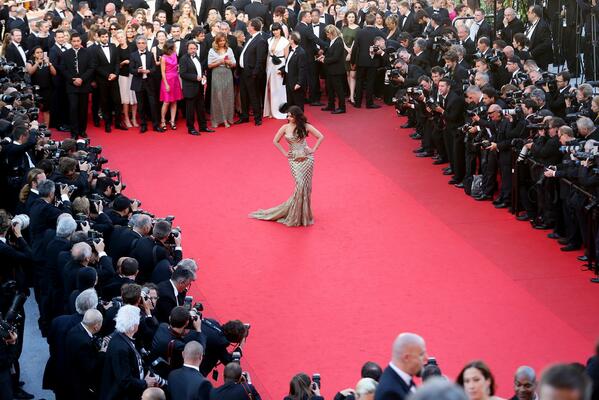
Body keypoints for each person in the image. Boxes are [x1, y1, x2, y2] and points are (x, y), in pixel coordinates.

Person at [249, 106, 324, 227]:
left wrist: (313, 149)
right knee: (300, 184)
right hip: (294, 159)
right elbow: (275, 141)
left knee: (306, 186)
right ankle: (294, 212)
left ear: (296, 116)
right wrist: (284, 153)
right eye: (287, 115)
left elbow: (321, 136)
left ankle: (303, 215)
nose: (288, 118)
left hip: (307, 159)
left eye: (291, 116)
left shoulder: (305, 126)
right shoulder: (284, 127)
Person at [100, 305, 160, 400]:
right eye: (138, 322)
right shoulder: (120, 348)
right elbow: (125, 380)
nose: (139, 324)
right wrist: (145, 383)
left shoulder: (123, 338)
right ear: (133, 326)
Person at [59, 32, 95, 139]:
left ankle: (82, 130)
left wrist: (82, 79)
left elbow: (91, 67)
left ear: (81, 41)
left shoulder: (87, 53)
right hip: (71, 86)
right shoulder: (65, 54)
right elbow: (62, 69)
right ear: (71, 42)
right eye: (74, 41)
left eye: (78, 41)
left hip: (84, 85)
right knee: (73, 108)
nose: (76, 43)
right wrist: (72, 79)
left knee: (83, 109)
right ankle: (74, 132)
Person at [65, 309, 105, 400]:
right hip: (81, 384)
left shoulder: (75, 329)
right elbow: (91, 367)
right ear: (96, 326)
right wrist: (102, 352)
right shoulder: (84, 343)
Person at [375, 333, 428, 400]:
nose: (426, 358)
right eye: (421, 354)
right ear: (406, 358)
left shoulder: (402, 379)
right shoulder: (389, 392)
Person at [235, 18, 267, 126]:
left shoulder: (261, 40)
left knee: (253, 96)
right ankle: (245, 116)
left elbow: (260, 59)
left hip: (252, 73)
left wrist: (255, 73)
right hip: (244, 72)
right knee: (244, 95)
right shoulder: (250, 37)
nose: (247, 27)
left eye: (248, 26)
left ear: (253, 27)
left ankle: (258, 118)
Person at [130, 35, 165, 133]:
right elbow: (131, 70)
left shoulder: (150, 54)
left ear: (146, 44)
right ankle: (143, 125)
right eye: (139, 43)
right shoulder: (133, 55)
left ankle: (156, 125)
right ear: (137, 44)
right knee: (141, 105)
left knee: (153, 104)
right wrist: (138, 70)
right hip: (138, 82)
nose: (141, 45)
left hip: (149, 82)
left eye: (143, 43)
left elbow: (154, 68)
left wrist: (149, 71)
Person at [179, 41, 215, 135]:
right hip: (190, 88)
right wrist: (195, 77)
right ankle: (191, 129)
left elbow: (200, 70)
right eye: (191, 48)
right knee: (190, 110)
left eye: (194, 48)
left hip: (199, 87)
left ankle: (203, 127)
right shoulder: (183, 59)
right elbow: (183, 74)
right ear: (187, 49)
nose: (193, 50)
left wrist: (203, 75)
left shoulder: (197, 57)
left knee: (201, 108)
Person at [94, 28, 126, 133]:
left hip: (114, 79)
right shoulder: (95, 49)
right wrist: (108, 75)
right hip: (102, 80)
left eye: (106, 36)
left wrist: (115, 74)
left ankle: (118, 123)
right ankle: (107, 123)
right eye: (102, 36)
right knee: (105, 102)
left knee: (117, 101)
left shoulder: (113, 46)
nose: (105, 38)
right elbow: (96, 66)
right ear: (99, 38)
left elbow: (117, 62)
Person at [350, 13, 384, 109]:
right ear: (374, 22)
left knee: (359, 81)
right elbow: (384, 43)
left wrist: (353, 61)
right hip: (373, 61)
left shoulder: (360, 32)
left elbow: (355, 47)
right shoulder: (378, 32)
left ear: (365, 21)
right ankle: (369, 103)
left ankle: (357, 103)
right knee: (370, 82)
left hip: (361, 61)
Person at [208, 32, 237, 128]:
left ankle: (227, 118)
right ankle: (218, 119)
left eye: (224, 41)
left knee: (227, 96)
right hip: (216, 73)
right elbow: (209, 65)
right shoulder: (212, 51)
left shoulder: (229, 50)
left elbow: (234, 64)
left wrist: (229, 62)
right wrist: (219, 62)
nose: (222, 42)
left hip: (227, 73)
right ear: (216, 41)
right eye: (220, 41)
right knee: (217, 96)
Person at [26, 46, 56, 127]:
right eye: (37, 52)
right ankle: (34, 128)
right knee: (35, 110)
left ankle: (46, 129)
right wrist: (37, 63)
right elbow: (30, 72)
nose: (40, 54)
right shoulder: (30, 62)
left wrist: (49, 64)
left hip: (47, 89)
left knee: (46, 110)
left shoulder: (46, 61)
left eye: (41, 52)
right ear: (34, 54)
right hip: (36, 91)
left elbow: (54, 73)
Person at [263, 22, 289, 119]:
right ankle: (270, 110)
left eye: (277, 29)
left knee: (279, 88)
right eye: (274, 30)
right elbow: (268, 55)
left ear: (280, 30)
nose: (275, 32)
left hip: (280, 65)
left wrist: (283, 70)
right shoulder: (269, 40)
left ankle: (279, 109)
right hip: (270, 65)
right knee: (270, 88)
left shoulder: (285, 41)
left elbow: (287, 57)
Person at [319, 25, 346, 114]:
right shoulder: (332, 41)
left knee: (339, 89)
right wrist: (325, 56)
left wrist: (324, 60)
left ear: (332, 33)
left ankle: (342, 107)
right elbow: (331, 54)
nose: (327, 36)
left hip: (336, 70)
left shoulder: (338, 42)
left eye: (328, 34)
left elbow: (336, 57)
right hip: (330, 69)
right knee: (330, 88)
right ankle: (331, 105)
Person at [116, 30, 139, 128]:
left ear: (125, 36)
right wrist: (123, 63)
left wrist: (131, 62)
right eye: (118, 37)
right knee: (125, 98)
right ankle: (126, 118)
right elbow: (116, 65)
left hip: (133, 74)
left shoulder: (132, 46)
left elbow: (137, 58)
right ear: (117, 39)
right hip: (123, 76)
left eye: (122, 36)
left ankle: (134, 118)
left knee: (134, 97)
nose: (121, 38)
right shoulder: (117, 49)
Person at [159, 40, 184, 130]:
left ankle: (172, 121)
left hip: (175, 80)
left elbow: (176, 66)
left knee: (174, 101)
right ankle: (163, 121)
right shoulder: (163, 58)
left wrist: (178, 68)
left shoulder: (174, 55)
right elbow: (162, 72)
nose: (176, 48)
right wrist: (166, 84)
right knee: (166, 102)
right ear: (170, 48)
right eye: (174, 47)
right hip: (167, 80)